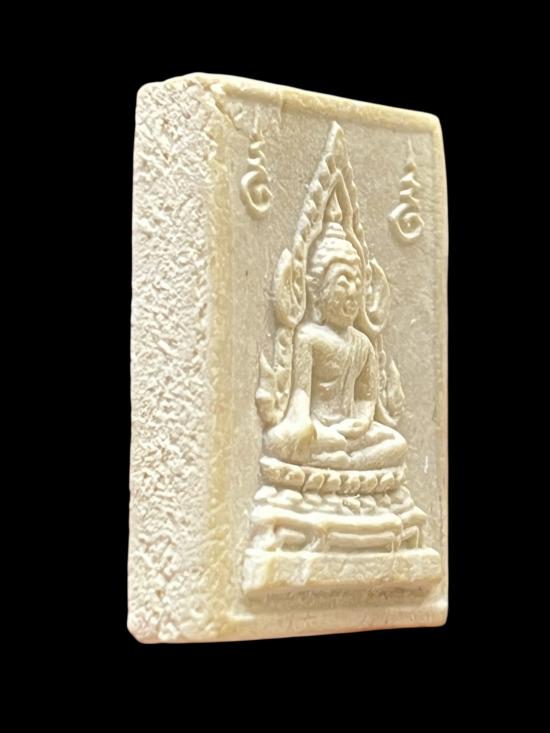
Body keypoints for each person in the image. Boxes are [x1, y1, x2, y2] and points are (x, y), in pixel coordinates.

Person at [264, 205, 407, 471]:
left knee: (397, 443)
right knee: (288, 439)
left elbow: (366, 397)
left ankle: (347, 463)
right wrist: (302, 424)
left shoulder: (363, 344)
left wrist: (362, 421)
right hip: (320, 428)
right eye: (343, 282)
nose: (353, 292)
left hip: (350, 431)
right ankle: (345, 462)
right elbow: (301, 393)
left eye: (357, 283)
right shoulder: (309, 337)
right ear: (318, 291)